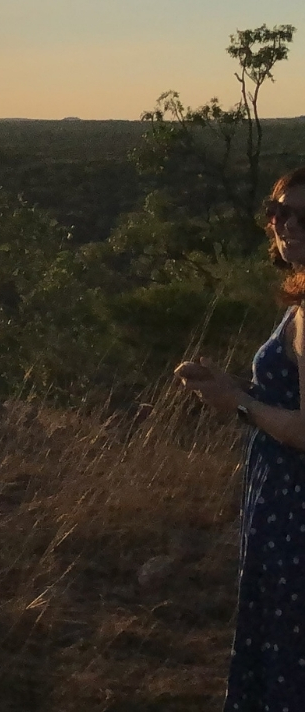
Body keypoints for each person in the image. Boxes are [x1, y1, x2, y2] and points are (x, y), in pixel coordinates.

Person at [178, 166, 305, 710]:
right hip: (280, 506)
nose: (288, 226)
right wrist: (234, 387)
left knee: (288, 656)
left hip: (296, 516)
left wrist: (241, 404)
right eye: (279, 213)